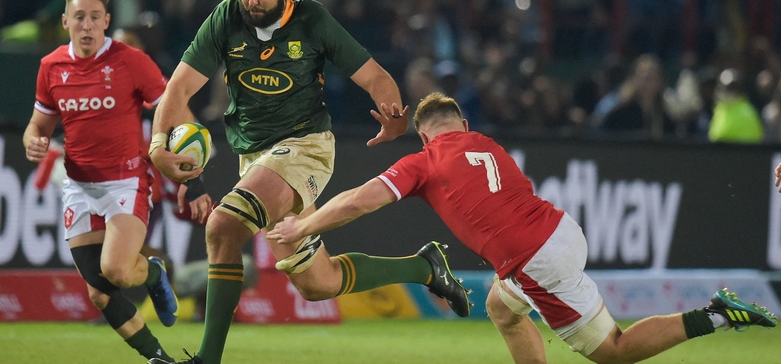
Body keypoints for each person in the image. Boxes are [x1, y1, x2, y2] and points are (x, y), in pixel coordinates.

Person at [146, 0, 470, 364]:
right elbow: (179, 88)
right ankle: (424, 267)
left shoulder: (312, 20)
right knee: (319, 283)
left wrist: (394, 117)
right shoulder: (226, 16)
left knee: (222, 227)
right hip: (255, 158)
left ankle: (207, 360)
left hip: (305, 148)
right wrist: (157, 145)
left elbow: (374, 76)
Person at [268, 92, 778, 364]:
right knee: (501, 307)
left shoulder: (424, 161)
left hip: (536, 260)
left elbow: (358, 201)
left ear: (425, 137)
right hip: (560, 231)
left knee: (614, 353)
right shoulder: (487, 144)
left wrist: (302, 224)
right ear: (464, 126)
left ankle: (716, 315)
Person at [22, 0, 190, 363]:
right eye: (79, 17)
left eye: (95, 17)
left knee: (116, 270)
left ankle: (153, 274)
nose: (87, 25)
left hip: (126, 181)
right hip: (79, 187)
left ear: (107, 21)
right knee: (99, 293)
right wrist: (33, 141)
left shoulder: (130, 61)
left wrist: (185, 157)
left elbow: (172, 105)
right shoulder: (51, 67)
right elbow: (38, 126)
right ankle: (160, 358)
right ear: (65, 21)